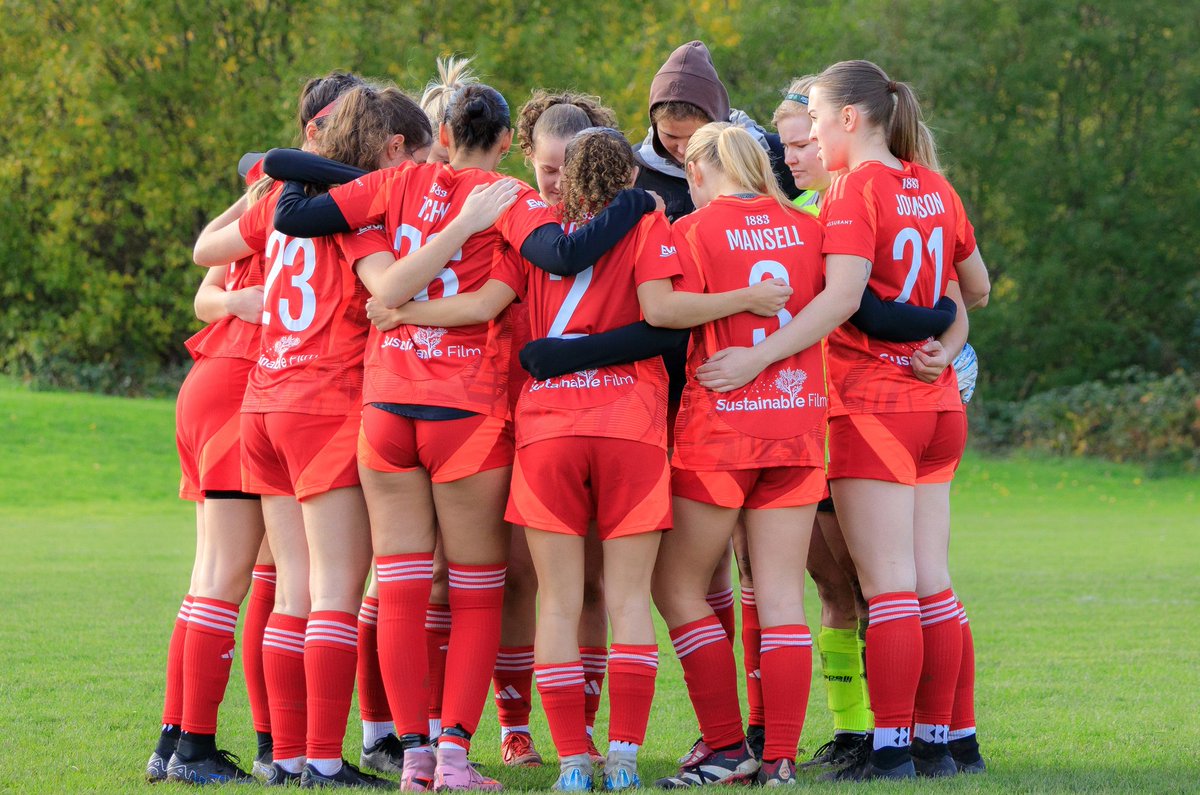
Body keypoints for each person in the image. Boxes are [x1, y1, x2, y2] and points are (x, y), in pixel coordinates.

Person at [266, 83, 661, 792]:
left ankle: (410, 753)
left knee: (403, 587)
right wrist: (636, 199)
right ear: (508, 142)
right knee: (479, 592)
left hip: (386, 409)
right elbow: (542, 268)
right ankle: (452, 754)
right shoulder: (510, 200)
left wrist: (402, 305)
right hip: (466, 414)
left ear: (442, 132)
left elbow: (296, 214)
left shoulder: (397, 181)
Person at [699, 59, 990, 781]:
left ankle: (891, 748)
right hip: (937, 405)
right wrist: (943, 349)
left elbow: (840, 300)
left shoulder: (853, 188)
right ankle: (951, 741)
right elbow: (974, 288)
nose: (811, 142)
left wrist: (753, 357)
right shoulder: (934, 183)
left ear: (849, 120)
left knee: (888, 586)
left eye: (819, 125)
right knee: (932, 582)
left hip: (874, 406)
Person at [193, 82, 439, 789]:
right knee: (335, 586)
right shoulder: (352, 212)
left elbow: (210, 249)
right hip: (324, 403)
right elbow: (386, 288)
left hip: (265, 401)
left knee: (295, 587)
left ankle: (287, 753)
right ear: (387, 150)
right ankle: (325, 761)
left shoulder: (278, 200)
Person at [148, 69, 369, 785]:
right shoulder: (319, 196)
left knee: (222, 574)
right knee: (260, 575)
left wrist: (244, 296)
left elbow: (204, 278)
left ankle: (181, 738)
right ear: (319, 130)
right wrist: (252, 304)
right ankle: (239, 744)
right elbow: (211, 289)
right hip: (254, 383)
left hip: (221, 383)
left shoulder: (272, 196)